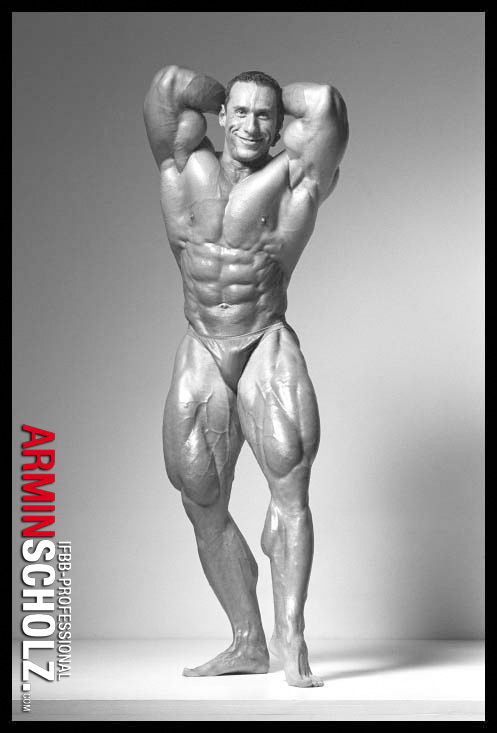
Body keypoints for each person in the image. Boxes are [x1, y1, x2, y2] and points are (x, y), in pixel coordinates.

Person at [144, 65, 348, 688]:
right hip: (202, 343)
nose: (252, 125)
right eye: (240, 111)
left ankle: (292, 635)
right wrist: (235, 94)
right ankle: (247, 641)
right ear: (221, 115)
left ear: (279, 124)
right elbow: (169, 86)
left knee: (290, 485)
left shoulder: (295, 177)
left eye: (265, 115)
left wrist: (270, 97)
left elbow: (324, 105)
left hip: (266, 338)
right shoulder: (184, 166)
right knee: (199, 494)